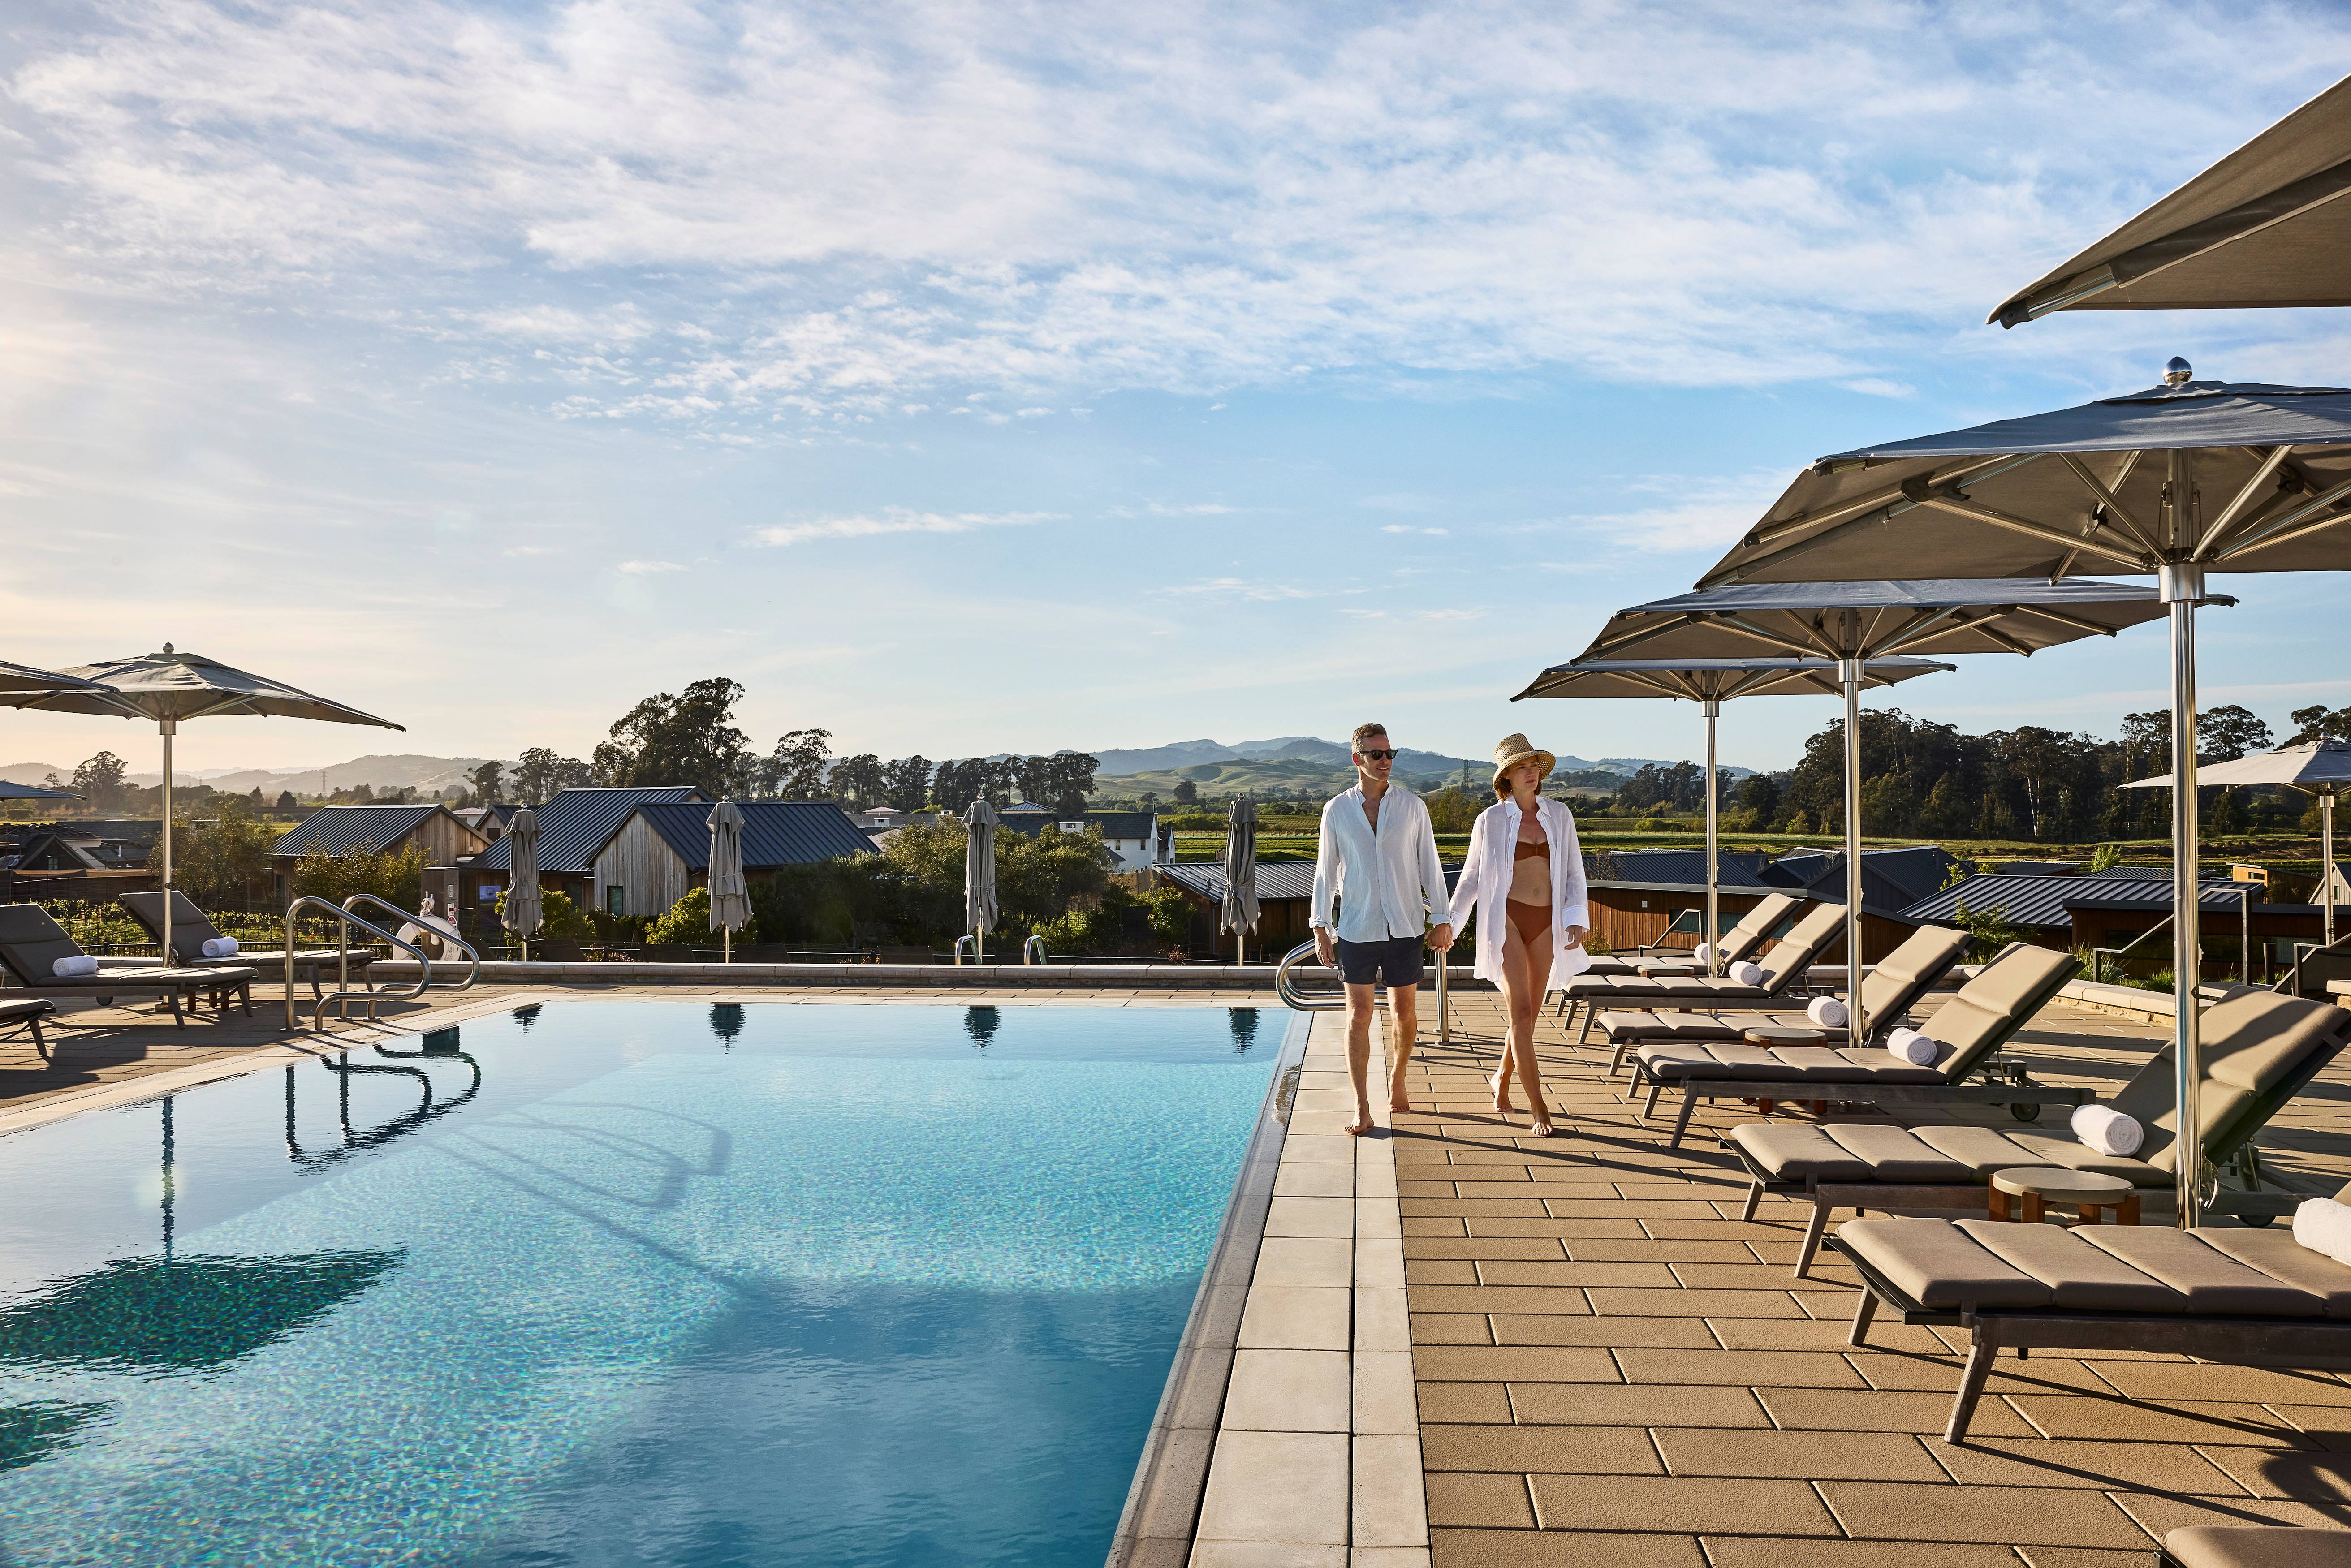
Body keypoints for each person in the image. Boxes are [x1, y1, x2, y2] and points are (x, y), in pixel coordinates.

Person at [1311, 723, 1455, 1135]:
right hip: (1356, 927)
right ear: (1357, 759)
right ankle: (1361, 1105)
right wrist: (1321, 926)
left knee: (1403, 1012)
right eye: (1377, 754)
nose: (1386, 760)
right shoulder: (1336, 810)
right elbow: (1326, 873)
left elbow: (1429, 863)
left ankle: (1398, 1077)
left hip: (1406, 925)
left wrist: (1442, 919)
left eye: (1390, 753)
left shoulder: (1412, 807)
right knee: (1358, 1016)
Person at [1448, 733, 1589, 1136]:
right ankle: (1540, 1109)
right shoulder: (1490, 821)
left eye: (1535, 766)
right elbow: (1472, 878)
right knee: (1521, 1016)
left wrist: (1576, 915)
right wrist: (1452, 924)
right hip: (1507, 920)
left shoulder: (1559, 815)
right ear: (1505, 777)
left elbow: (1574, 872)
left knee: (1527, 1021)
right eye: (1522, 767)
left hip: (1548, 922)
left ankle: (1501, 1078)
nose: (1532, 772)